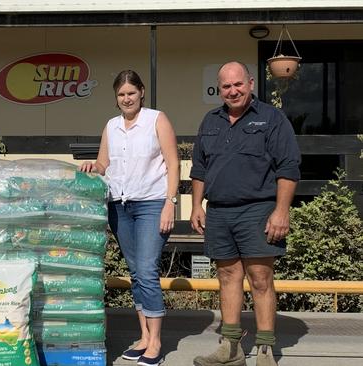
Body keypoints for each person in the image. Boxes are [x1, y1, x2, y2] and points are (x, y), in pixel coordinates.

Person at [190, 61, 301, 366]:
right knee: (227, 276)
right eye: (226, 86)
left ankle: (265, 350)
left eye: (238, 84)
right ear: (220, 89)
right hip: (220, 212)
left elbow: (288, 169)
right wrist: (196, 205)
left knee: (261, 278)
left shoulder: (272, 119)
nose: (233, 91)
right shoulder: (210, 121)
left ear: (250, 83)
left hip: (258, 209)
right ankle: (230, 347)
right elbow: (199, 168)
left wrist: (281, 211)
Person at [79, 70, 179, 366]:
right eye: (121, 95)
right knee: (135, 271)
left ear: (141, 92)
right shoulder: (111, 126)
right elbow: (103, 163)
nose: (126, 99)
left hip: (151, 204)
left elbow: (173, 164)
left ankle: (157, 341)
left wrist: (170, 203)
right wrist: (92, 167)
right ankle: (144, 336)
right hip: (119, 206)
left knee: (147, 270)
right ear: (116, 98)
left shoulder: (157, 119)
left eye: (131, 93)